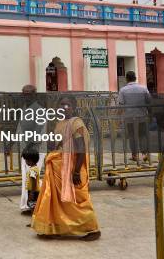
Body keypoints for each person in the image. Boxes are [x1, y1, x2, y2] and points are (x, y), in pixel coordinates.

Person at [31, 95, 101, 241]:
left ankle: (92, 229)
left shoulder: (76, 123)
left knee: (77, 199)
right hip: (57, 166)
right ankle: (54, 227)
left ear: (74, 107)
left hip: (72, 168)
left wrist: (76, 171)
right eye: (61, 105)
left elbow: (81, 148)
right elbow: (54, 145)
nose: (64, 108)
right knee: (57, 200)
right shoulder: (59, 123)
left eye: (67, 105)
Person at [16, 84, 46, 213]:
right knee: (27, 178)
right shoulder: (25, 108)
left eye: (29, 93)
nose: (26, 96)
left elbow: (37, 132)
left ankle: (34, 205)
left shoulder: (39, 110)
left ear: (35, 94)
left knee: (33, 177)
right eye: (24, 93)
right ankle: (28, 204)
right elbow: (20, 127)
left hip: (35, 150)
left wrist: (27, 149)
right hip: (26, 149)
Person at [117, 71, 152, 162]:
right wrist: (150, 114)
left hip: (129, 117)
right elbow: (149, 101)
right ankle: (144, 154)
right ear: (135, 78)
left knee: (132, 136)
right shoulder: (143, 88)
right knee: (142, 135)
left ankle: (134, 155)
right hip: (142, 116)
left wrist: (118, 118)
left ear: (126, 79)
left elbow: (120, 105)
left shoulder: (123, 90)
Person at [22, 145, 41, 211]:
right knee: (32, 202)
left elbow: (33, 180)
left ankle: (34, 213)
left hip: (34, 190)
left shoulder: (33, 170)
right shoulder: (34, 168)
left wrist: (32, 193)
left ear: (30, 160)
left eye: (26, 160)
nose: (26, 162)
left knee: (32, 203)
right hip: (33, 189)